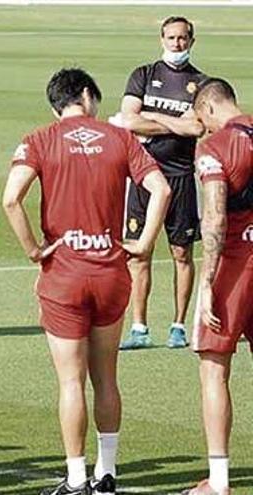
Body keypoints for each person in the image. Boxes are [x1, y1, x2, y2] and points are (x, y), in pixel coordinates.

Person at [3, 68, 170, 495]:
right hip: (111, 270)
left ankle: (77, 477)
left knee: (70, 382)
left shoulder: (39, 139)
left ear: (56, 104)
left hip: (64, 274)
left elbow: (10, 199)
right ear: (86, 95)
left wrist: (34, 249)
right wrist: (146, 241)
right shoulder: (119, 137)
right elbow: (161, 189)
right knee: (106, 378)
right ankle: (107, 473)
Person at [111, 16, 206, 350]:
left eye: (182, 39)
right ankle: (139, 327)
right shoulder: (144, 74)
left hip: (181, 176)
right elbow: (127, 121)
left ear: (191, 41)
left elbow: (196, 128)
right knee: (139, 254)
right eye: (171, 38)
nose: (176, 44)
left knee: (182, 253)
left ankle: (178, 325)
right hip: (143, 176)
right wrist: (174, 122)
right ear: (161, 39)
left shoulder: (201, 82)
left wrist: (151, 119)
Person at [183, 78, 252, 495]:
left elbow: (214, 217)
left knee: (214, 368)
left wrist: (207, 282)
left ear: (208, 109)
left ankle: (220, 481)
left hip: (235, 265)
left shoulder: (215, 146)